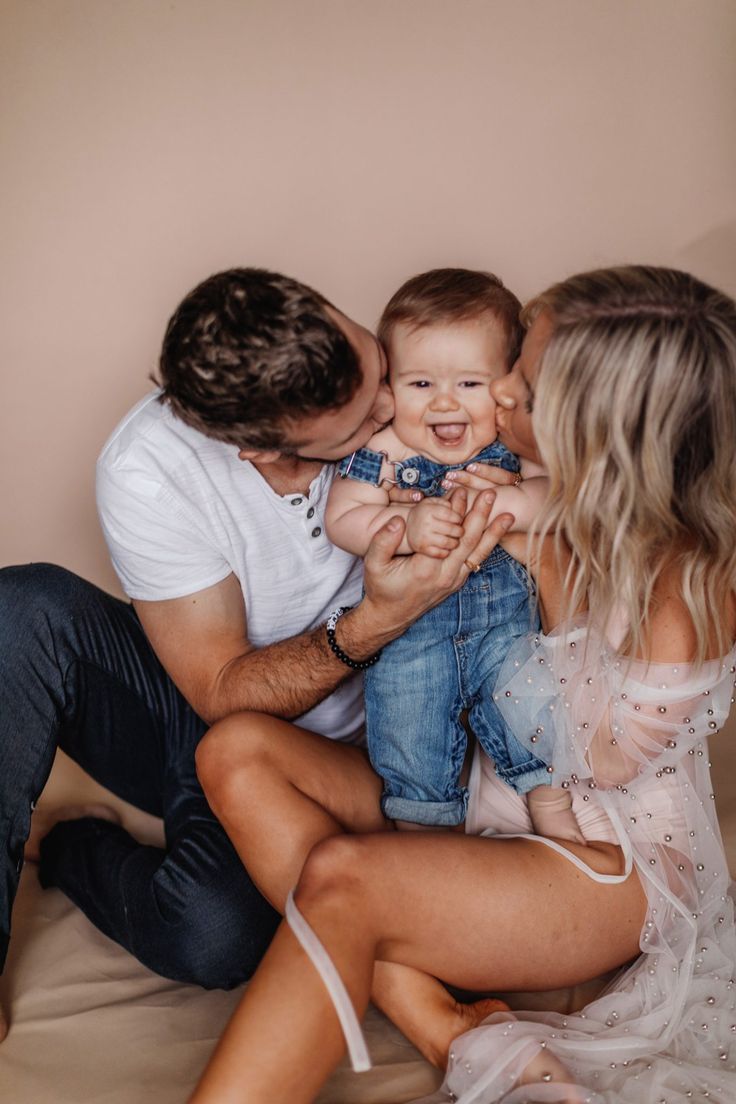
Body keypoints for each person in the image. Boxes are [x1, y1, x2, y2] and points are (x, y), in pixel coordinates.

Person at [191, 265, 736, 1104]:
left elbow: (603, 765)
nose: (496, 393)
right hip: (475, 794)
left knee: (346, 877)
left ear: (590, 426)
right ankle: (453, 1027)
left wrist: (534, 550)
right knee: (235, 749)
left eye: (517, 382)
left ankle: (436, 1012)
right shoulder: (491, 486)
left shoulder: (684, 589)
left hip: (599, 856)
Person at [0, 268, 515, 1043]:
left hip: (406, 730)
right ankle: (70, 850)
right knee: (20, 609)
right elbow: (219, 689)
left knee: (212, 932)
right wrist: (375, 619)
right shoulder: (149, 471)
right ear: (259, 450)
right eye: (361, 419)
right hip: (236, 713)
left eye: (381, 370)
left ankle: (89, 848)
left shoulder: (412, 387)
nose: (397, 408)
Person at [327, 268, 581, 842]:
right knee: (406, 731)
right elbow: (342, 518)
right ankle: (424, 839)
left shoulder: (511, 443)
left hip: (507, 633)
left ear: (508, 383)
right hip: (411, 636)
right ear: (390, 387)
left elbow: (558, 499)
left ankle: (556, 817)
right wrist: (405, 525)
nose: (445, 403)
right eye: (421, 385)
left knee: (536, 715)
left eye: (470, 384)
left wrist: (511, 504)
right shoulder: (384, 449)